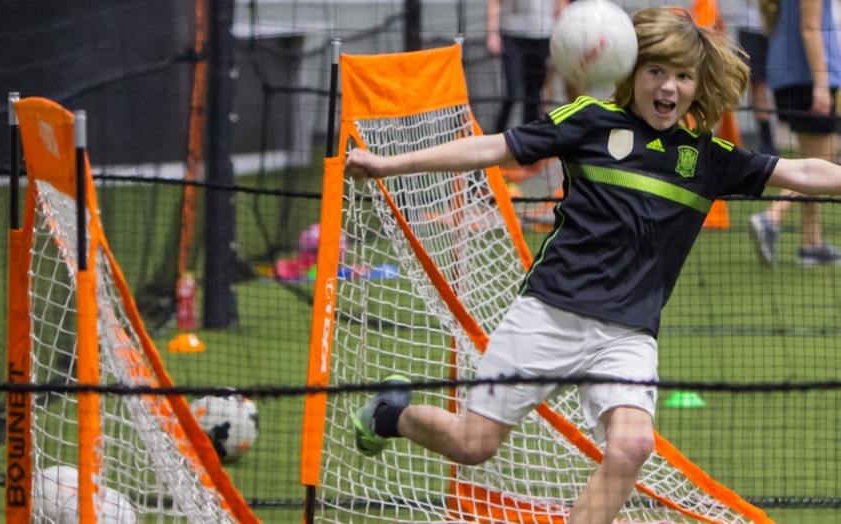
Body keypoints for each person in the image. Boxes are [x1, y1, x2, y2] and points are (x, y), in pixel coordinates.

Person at [346, 7, 841, 523]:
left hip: (628, 335)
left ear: (698, 85)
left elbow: (803, 168)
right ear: (629, 71)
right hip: (550, 314)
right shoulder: (587, 122)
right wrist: (387, 164)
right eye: (656, 71)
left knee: (630, 447)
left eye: (683, 76)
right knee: (473, 445)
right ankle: (389, 414)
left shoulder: (709, 158)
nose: (668, 87)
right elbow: (494, 147)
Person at [749, 0, 841, 266]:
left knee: (816, 161)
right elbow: (810, 28)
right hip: (809, 80)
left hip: (790, 78)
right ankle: (771, 217)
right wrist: (822, 86)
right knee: (823, 165)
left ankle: (811, 243)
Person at [487, 0, 566, 132]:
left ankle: (529, 137)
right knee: (513, 92)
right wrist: (492, 33)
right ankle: (496, 135)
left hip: (542, 35)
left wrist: (560, 32)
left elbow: (560, 5)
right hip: (512, 34)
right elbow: (494, 2)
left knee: (534, 95)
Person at [735, 0, 778, 155]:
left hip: (779, 27)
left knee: (784, 83)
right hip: (751, 27)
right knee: (758, 83)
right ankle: (767, 142)